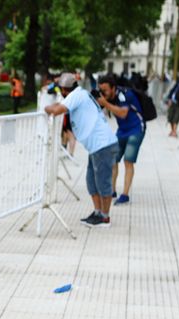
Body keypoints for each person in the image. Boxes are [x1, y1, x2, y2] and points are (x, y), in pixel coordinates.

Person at [45, 72, 118, 228]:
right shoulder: (81, 94)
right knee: (91, 181)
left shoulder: (76, 95)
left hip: (102, 145)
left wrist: (46, 107)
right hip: (97, 146)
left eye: (62, 90)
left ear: (66, 89)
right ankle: (97, 212)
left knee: (102, 182)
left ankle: (104, 217)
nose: (61, 93)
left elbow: (58, 110)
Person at [97, 73, 145, 205]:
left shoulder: (124, 94)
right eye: (101, 90)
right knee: (113, 159)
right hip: (122, 130)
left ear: (113, 88)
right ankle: (112, 191)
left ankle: (125, 195)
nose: (103, 93)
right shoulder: (108, 97)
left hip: (136, 129)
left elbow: (123, 113)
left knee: (128, 161)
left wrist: (105, 103)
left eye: (105, 90)